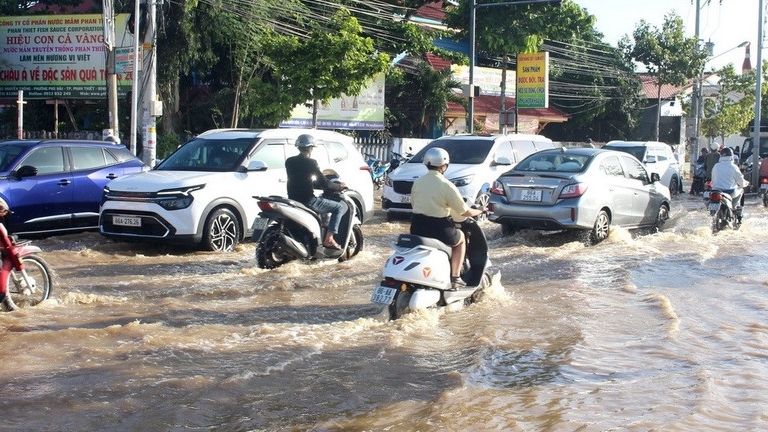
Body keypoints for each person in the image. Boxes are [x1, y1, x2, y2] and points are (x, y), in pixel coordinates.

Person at [410, 147, 484, 288]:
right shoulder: (447, 185)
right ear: (444, 166)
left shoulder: (417, 182)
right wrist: (479, 211)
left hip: (417, 227)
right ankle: (455, 277)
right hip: (439, 229)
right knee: (461, 238)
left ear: (426, 163)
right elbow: (464, 212)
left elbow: (414, 204)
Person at [285, 134, 348, 250]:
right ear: (310, 148)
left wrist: (316, 185)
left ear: (298, 147)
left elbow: (299, 179)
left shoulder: (289, 161)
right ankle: (329, 239)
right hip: (308, 201)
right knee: (338, 207)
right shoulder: (311, 162)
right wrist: (339, 186)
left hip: (292, 200)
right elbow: (326, 184)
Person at [711, 147, 749, 217]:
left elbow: (713, 179)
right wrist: (745, 184)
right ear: (731, 156)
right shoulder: (733, 166)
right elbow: (740, 180)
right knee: (741, 190)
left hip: (716, 191)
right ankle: (734, 208)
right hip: (729, 191)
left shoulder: (716, 166)